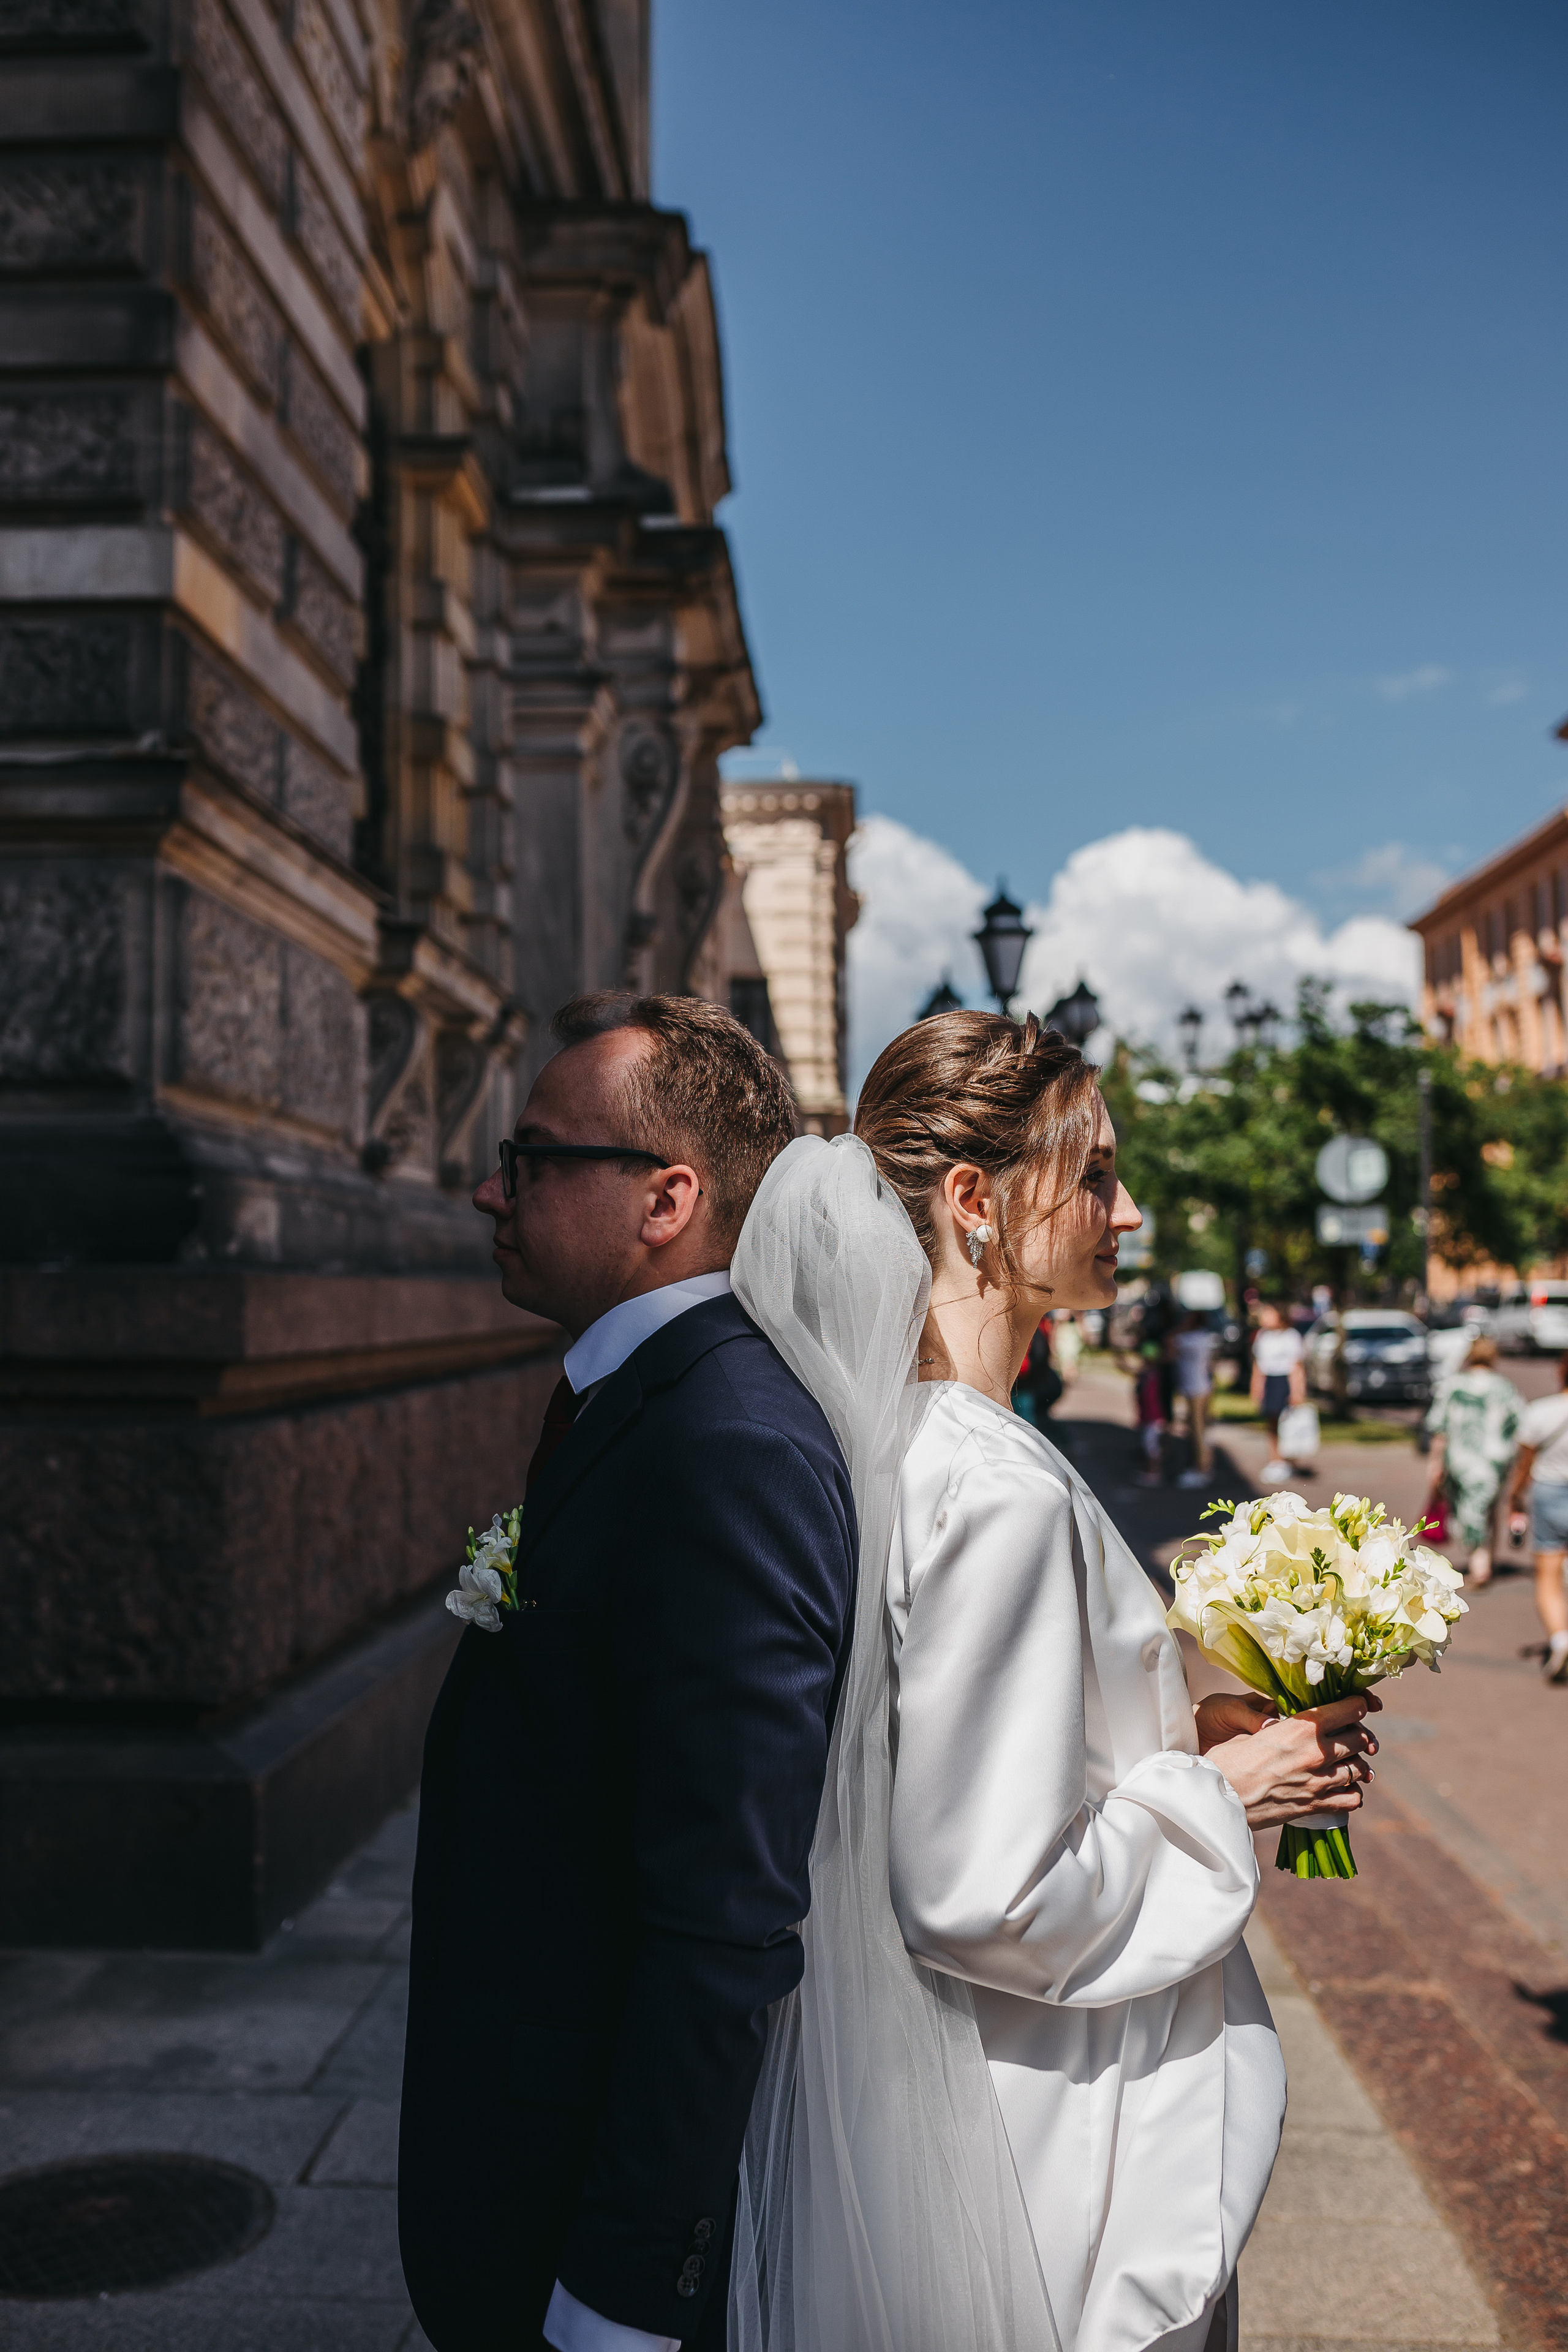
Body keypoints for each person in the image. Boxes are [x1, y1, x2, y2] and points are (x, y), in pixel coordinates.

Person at [729, 1011, 1378, 2352]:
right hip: (1033, 2127)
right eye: (1096, 1176)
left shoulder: (893, 1444)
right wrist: (1227, 1789)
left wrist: (1174, 1738)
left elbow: (945, 1763)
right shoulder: (998, 1490)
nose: (1127, 1214)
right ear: (974, 1202)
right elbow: (983, 1889)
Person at [398, 993, 857, 2351]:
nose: (491, 1189)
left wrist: (623, 2298)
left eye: (535, 1158)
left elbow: (726, 1913)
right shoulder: (648, 1401)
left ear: (667, 1198)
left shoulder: (725, 1441)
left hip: (583, 2220)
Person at [1423, 1333, 1522, 1591]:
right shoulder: (1503, 1387)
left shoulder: (1453, 1386)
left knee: (1470, 1508)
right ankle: (1486, 1559)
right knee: (1489, 1507)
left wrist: (1435, 1463)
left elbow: (1439, 1428)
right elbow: (1520, 1423)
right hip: (1495, 1460)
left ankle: (1480, 1564)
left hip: (1461, 1459)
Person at [1504, 1350, 1568, 1679]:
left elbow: (1524, 1465)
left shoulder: (1540, 1411)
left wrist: (1515, 1497)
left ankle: (1560, 1640)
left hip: (1550, 1495)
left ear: (1561, 1372)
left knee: (1549, 1576)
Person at [1251, 1302, 1305, 1485]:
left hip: (1285, 1380)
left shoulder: (1291, 1336)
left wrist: (1297, 1390)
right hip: (1270, 1380)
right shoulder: (1262, 1336)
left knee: (1288, 1423)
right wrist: (1256, 1385)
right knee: (1271, 1422)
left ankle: (1289, 1461)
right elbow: (1259, 1363)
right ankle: (1275, 1460)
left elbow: (1296, 1365)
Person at [1172, 1308, 1219, 1487]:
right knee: (1202, 1429)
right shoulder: (1205, 1338)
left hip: (1194, 1389)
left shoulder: (1188, 1339)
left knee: (1197, 1431)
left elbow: (1170, 1342)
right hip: (1204, 1386)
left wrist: (1181, 1328)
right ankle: (1205, 1465)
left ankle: (1201, 1469)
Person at [1134, 1336, 1167, 1485]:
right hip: (1151, 1416)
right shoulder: (1150, 1375)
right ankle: (1150, 1470)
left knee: (1151, 1447)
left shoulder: (1151, 1376)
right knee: (1149, 1445)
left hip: (1153, 1416)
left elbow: (1148, 1398)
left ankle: (1154, 1472)